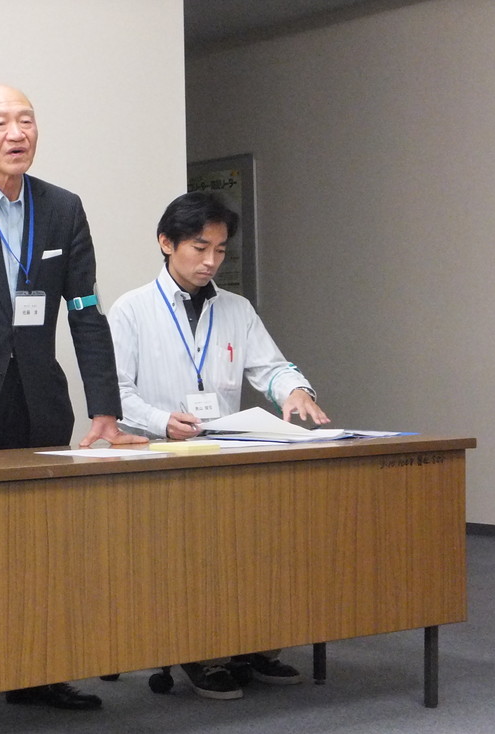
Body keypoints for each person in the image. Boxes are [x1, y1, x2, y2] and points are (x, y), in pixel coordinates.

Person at [0, 84, 146, 733]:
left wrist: (104, 408)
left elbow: (85, 309)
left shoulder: (62, 208)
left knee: (40, 546)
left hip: (40, 403)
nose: (16, 133)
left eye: (26, 120)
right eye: (0, 123)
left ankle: (36, 671)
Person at [108, 190, 330, 700]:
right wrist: (162, 421)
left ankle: (254, 646)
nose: (211, 261)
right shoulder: (131, 310)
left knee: (255, 550)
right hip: (160, 459)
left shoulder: (236, 308)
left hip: (224, 453)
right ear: (166, 243)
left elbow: (271, 367)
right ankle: (199, 652)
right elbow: (115, 394)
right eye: (199, 248)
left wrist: (295, 389)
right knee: (193, 559)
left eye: (220, 250)